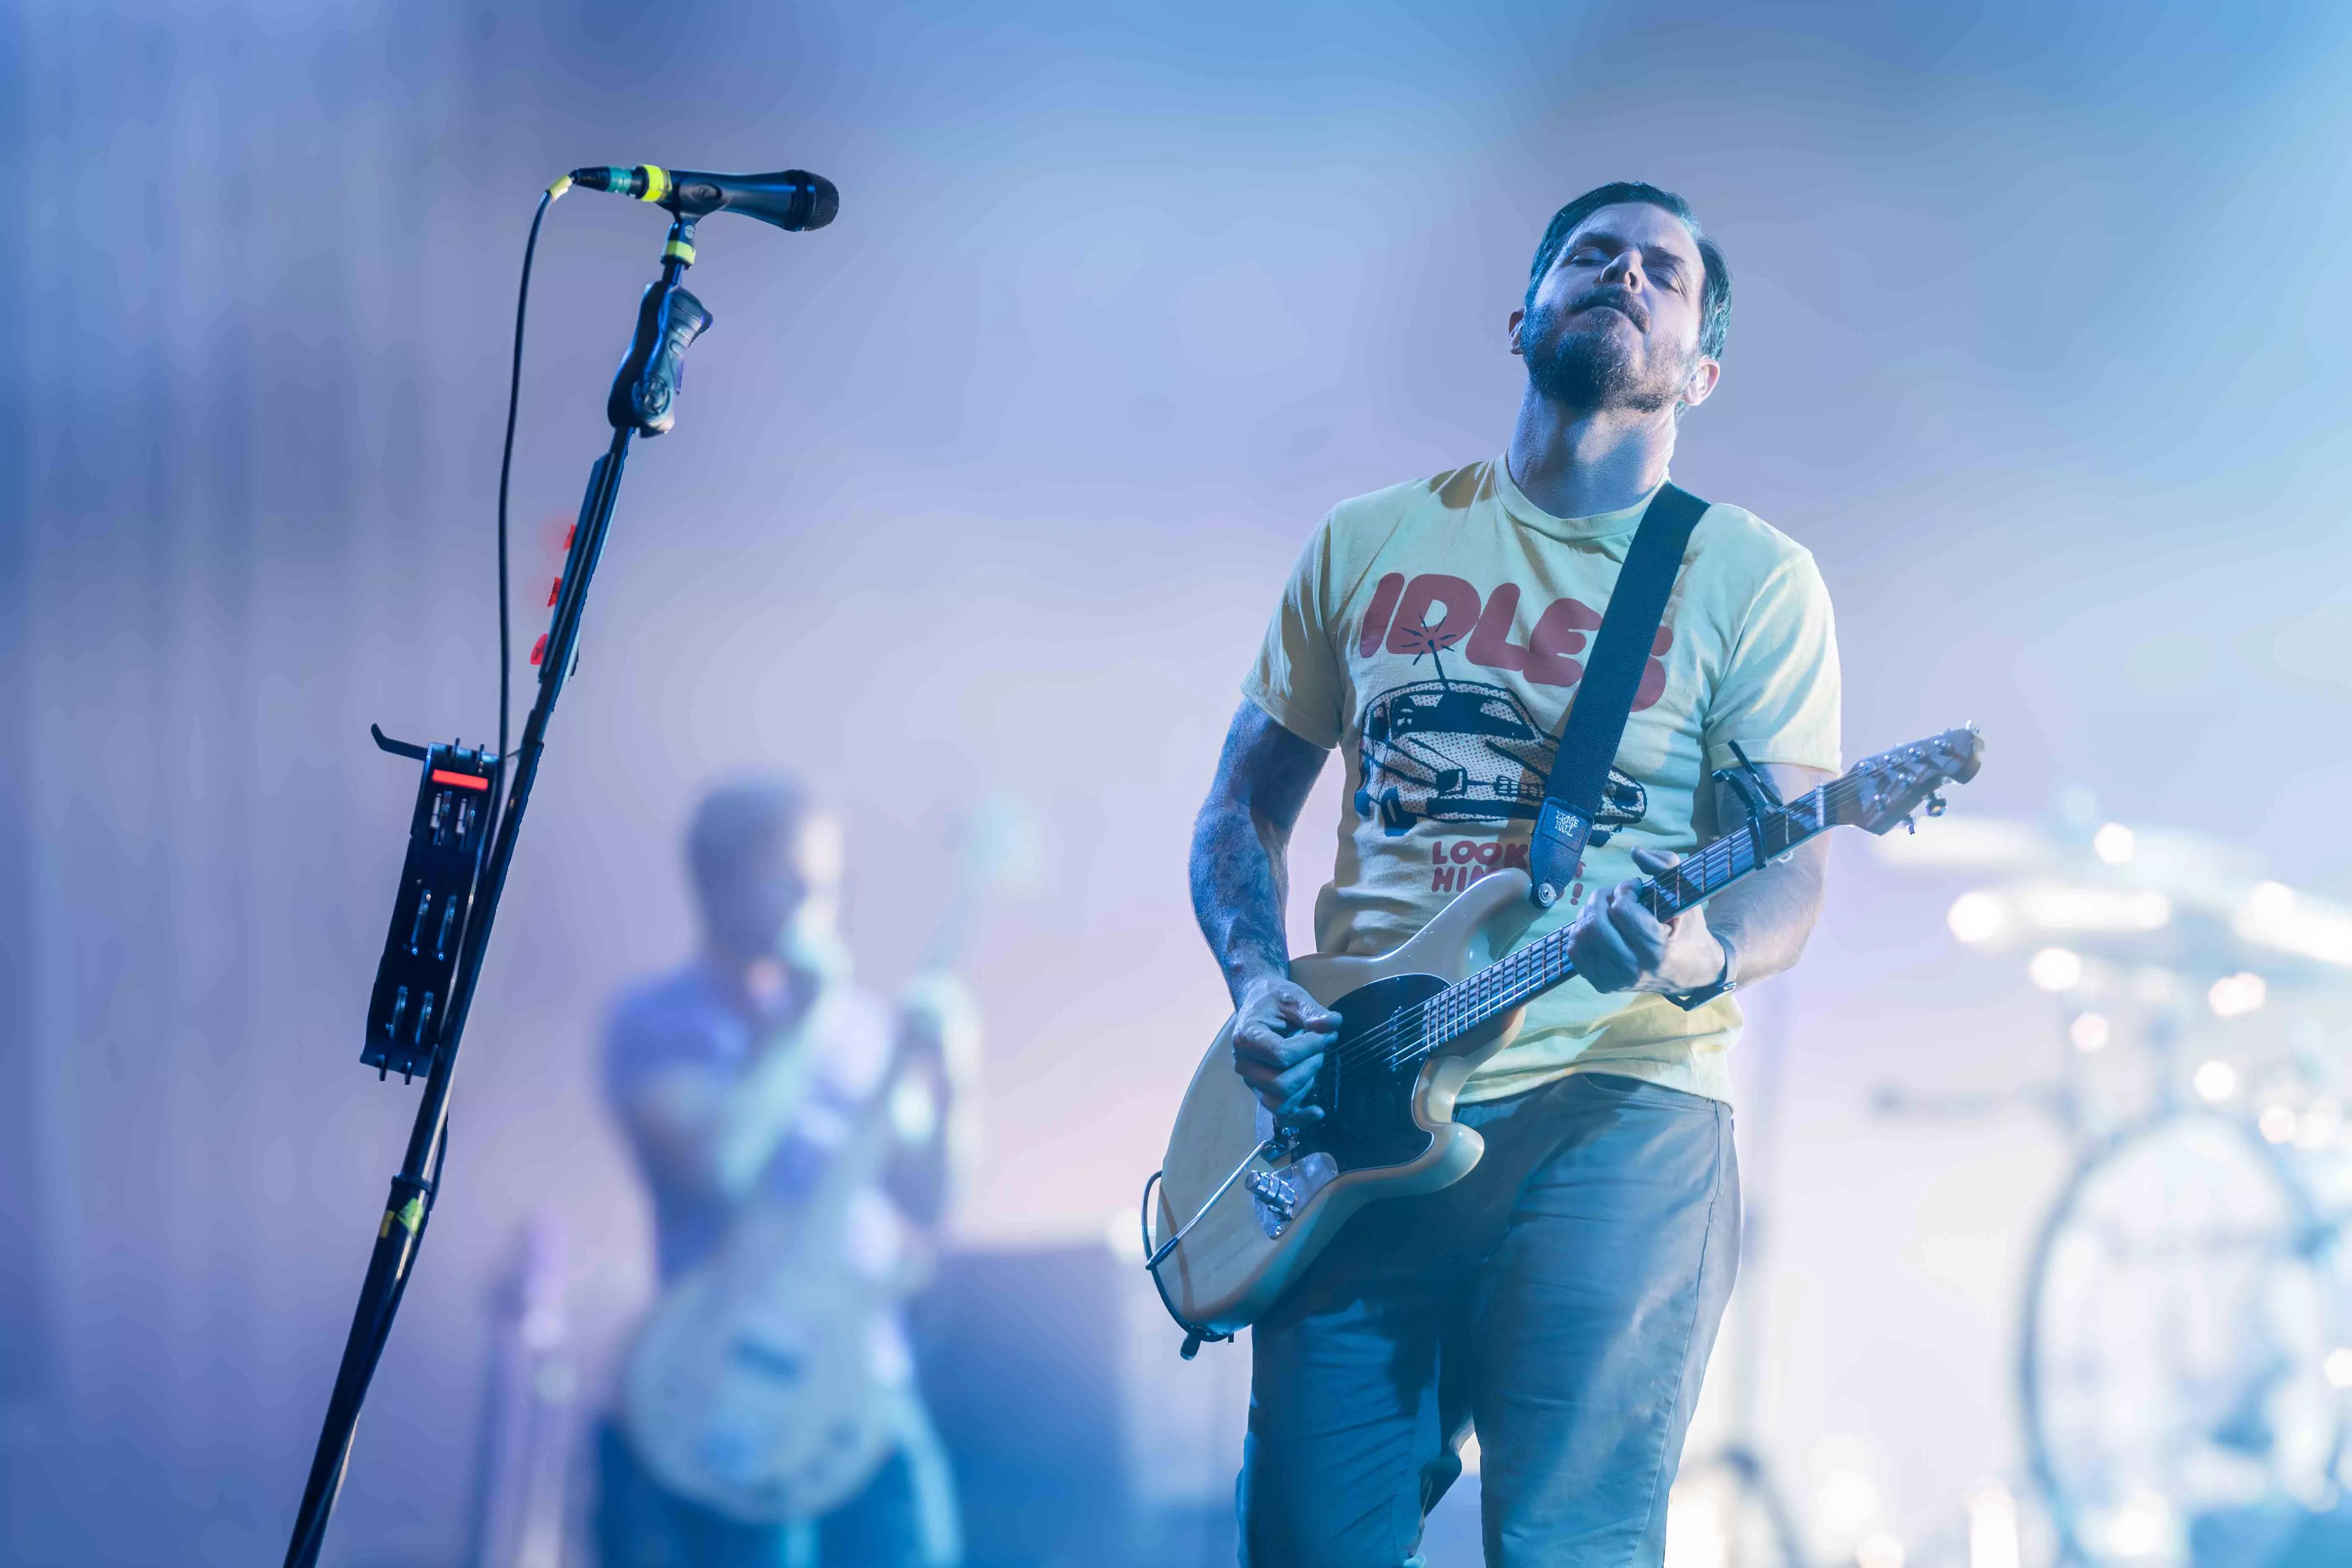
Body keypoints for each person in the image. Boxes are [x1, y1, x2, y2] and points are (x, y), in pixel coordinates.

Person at [1190, 182, 1841, 1566]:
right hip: (1355, 1103)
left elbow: (1785, 877)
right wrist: (1254, 984)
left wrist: (1695, 954)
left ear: (1700, 371)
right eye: (1590, 255)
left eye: (1662, 271)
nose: (1624, 274)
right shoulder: (1369, 537)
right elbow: (1238, 809)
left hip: (1617, 1099)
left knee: (1565, 1543)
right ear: (1519, 315)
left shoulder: (1749, 578)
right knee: (1305, 1539)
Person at [596, 778, 966, 1568]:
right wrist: (799, 1023)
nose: (816, 905)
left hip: (868, 1382)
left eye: (826, 885)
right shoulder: (656, 1022)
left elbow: (928, 1199)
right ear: (717, 882)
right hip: (739, 1379)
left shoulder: (866, 1027)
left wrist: (955, 1082)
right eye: (790, 882)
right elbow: (718, 1169)